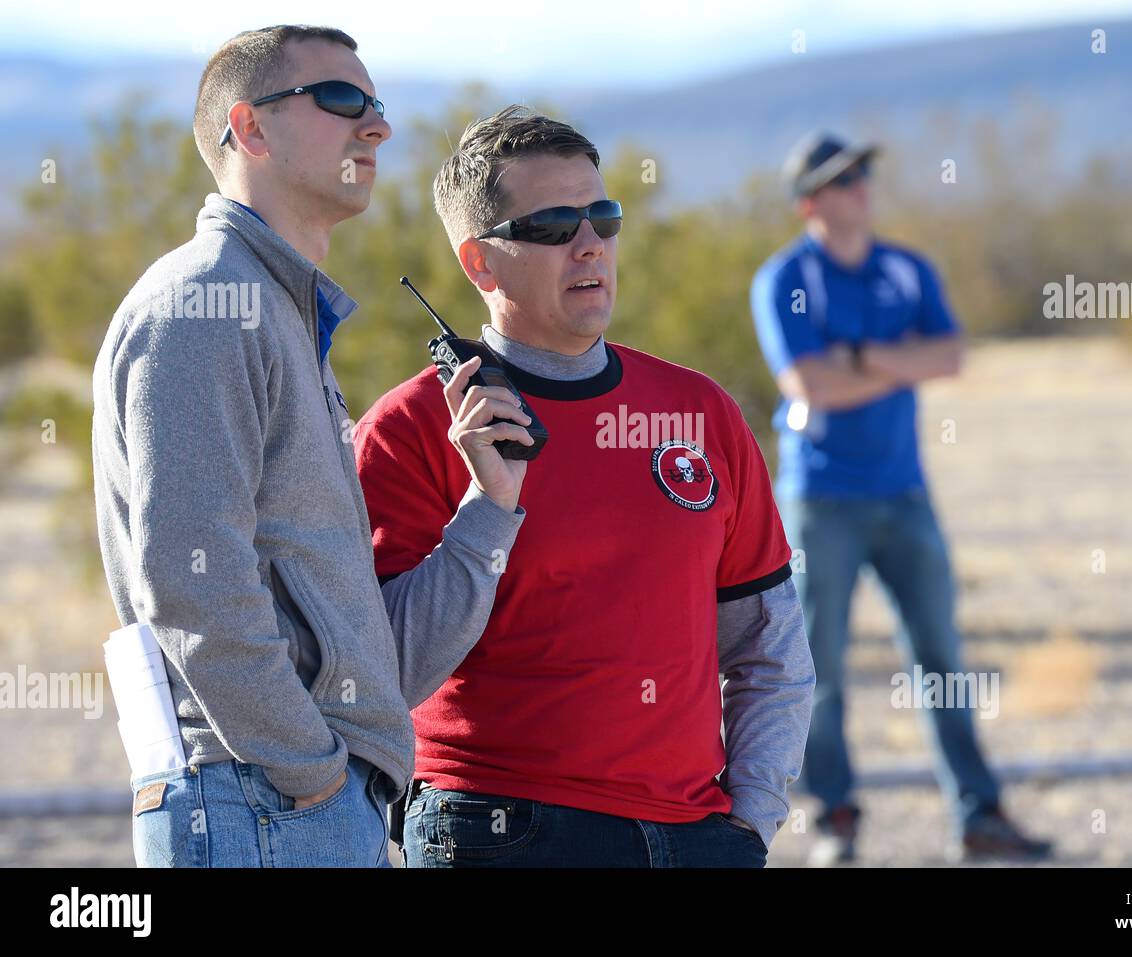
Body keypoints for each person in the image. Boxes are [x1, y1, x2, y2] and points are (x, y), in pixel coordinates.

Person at [92, 24, 513, 867]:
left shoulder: (275, 312)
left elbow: (362, 649)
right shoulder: (202, 305)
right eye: (342, 100)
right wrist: (309, 769)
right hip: (258, 797)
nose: (377, 126)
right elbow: (188, 577)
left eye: (379, 105)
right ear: (250, 129)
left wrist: (490, 506)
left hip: (294, 801)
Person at [353, 105, 814, 867]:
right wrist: (488, 504)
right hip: (501, 830)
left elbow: (770, 644)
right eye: (553, 225)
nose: (589, 244)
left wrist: (751, 820)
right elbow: (384, 671)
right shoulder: (405, 431)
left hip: (699, 833)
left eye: (602, 217)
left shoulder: (700, 411)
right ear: (479, 263)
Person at [749, 132, 1053, 864]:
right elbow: (809, 384)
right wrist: (898, 364)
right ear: (809, 201)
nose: (862, 186)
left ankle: (978, 816)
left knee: (943, 659)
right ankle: (835, 815)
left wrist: (859, 358)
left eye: (864, 174)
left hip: (905, 493)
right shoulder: (785, 278)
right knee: (815, 665)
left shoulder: (907, 268)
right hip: (822, 499)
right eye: (844, 177)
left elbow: (950, 356)